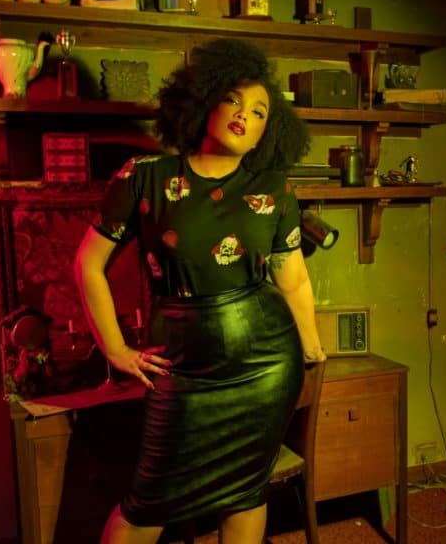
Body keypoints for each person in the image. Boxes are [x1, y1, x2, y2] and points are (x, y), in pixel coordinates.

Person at [74, 38, 326, 544]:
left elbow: (293, 277)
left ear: (266, 133)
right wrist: (114, 349)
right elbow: (87, 264)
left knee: (245, 493)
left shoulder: (274, 189)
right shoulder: (144, 177)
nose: (244, 114)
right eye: (233, 99)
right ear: (205, 101)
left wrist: (312, 344)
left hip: (266, 365)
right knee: (147, 505)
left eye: (259, 112)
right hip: (183, 365)